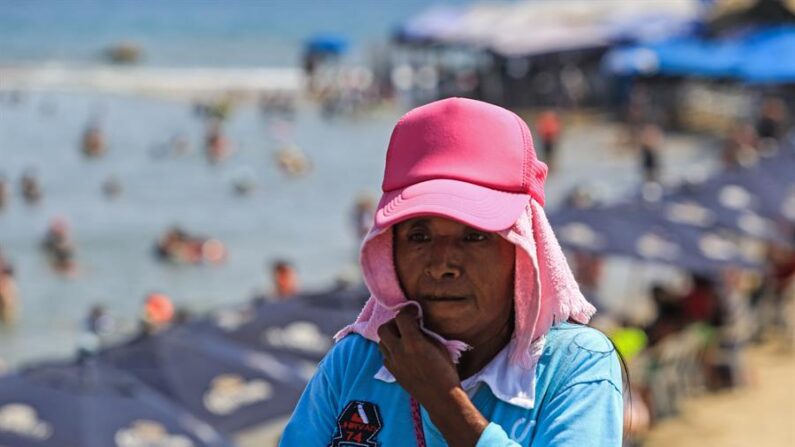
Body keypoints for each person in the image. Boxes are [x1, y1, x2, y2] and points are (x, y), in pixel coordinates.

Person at [281, 98, 623, 445]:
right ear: (389, 250)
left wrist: (444, 401)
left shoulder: (573, 364)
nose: (442, 264)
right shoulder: (354, 362)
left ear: (525, 249)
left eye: (475, 236)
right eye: (419, 235)